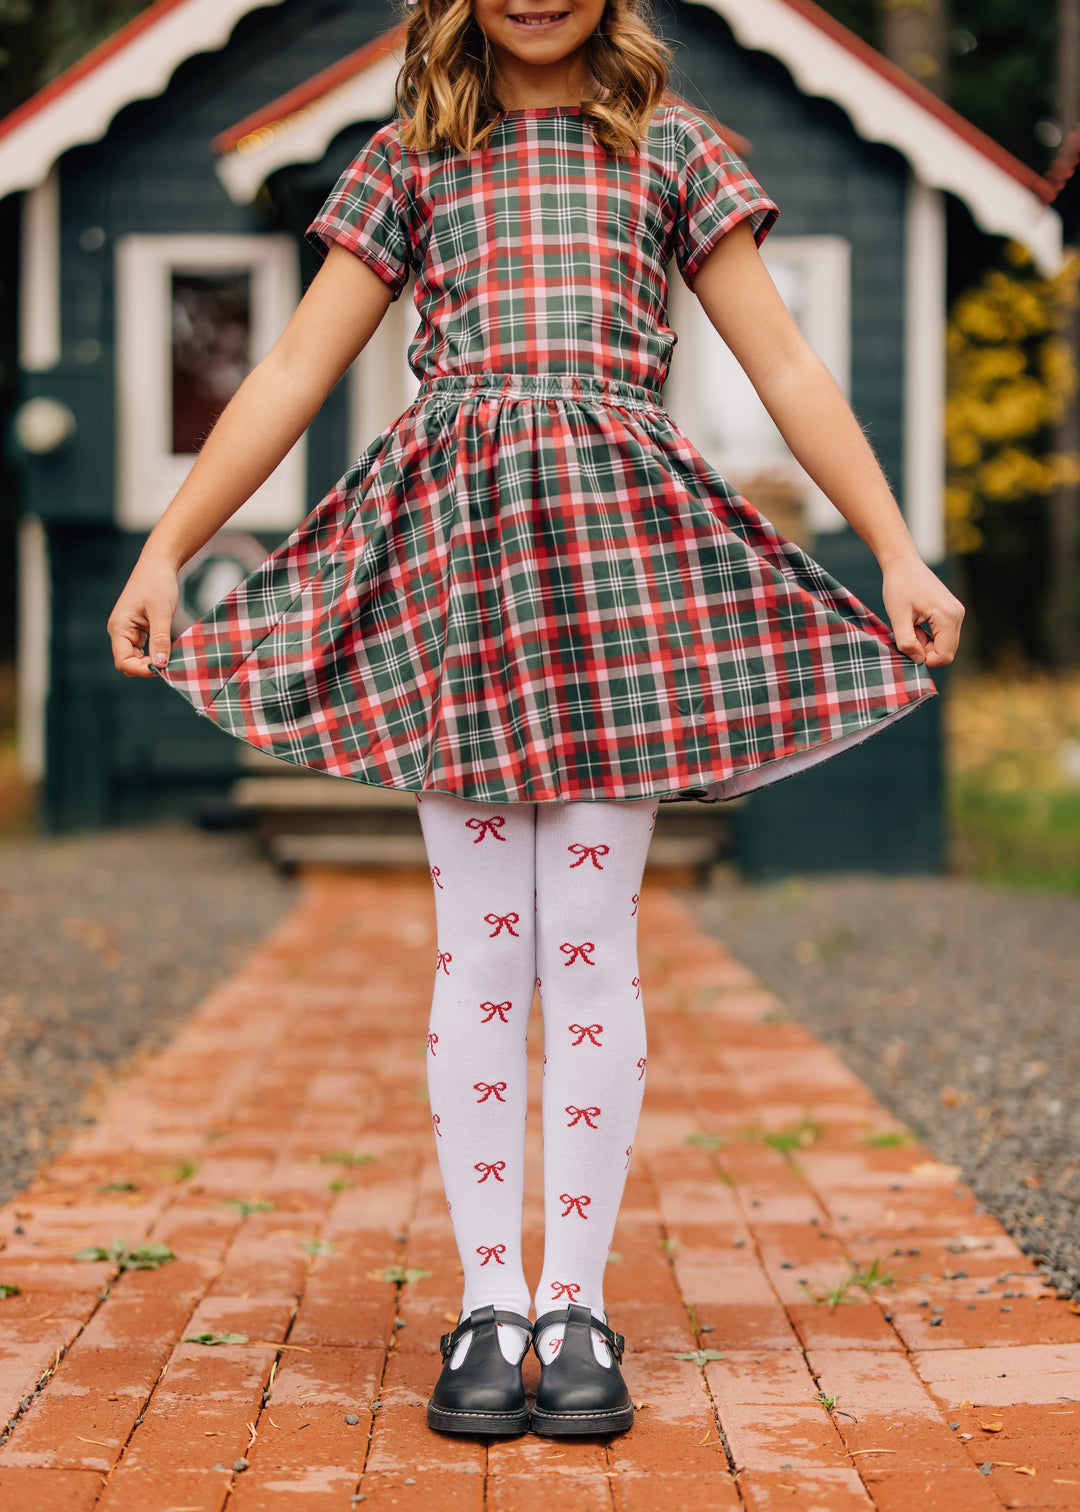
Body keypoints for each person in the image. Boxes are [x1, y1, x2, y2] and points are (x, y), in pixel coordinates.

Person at [108, 0, 963, 1442]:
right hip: (464, 571)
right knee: (486, 947)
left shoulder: (676, 154)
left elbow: (789, 368)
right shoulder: (410, 160)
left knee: (588, 945)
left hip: (617, 581)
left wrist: (893, 544)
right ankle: (488, 1297)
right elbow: (292, 371)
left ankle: (575, 1304)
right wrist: (165, 548)